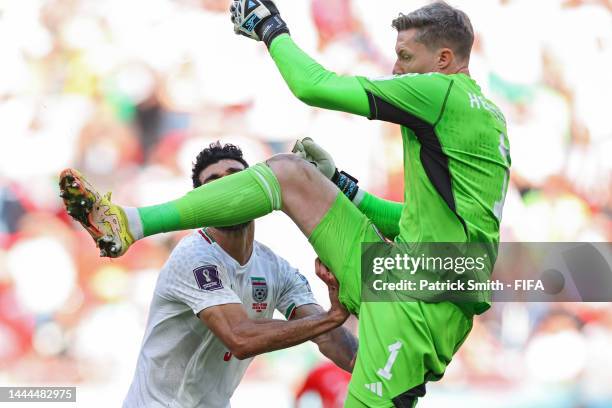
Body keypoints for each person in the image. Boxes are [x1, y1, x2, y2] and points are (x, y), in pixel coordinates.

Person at [59, 2, 510, 406]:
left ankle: (132, 224)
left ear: (444, 60)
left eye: (406, 57)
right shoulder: (487, 118)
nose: (395, 69)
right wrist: (341, 185)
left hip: (418, 296)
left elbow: (314, 87)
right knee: (291, 173)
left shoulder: (439, 93)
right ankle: (128, 223)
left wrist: (270, 27)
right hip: (416, 272)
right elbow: (408, 221)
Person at [121, 142, 357, 407]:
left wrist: (387, 369)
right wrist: (332, 317)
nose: (228, 192)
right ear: (203, 204)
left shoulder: (275, 268)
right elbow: (241, 337)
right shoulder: (193, 256)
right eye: (215, 185)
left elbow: (331, 339)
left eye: (236, 180)